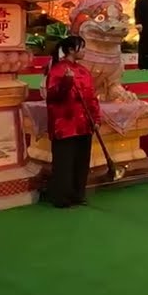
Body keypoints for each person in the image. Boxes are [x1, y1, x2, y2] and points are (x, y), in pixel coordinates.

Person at [44, 36, 102, 209]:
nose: (84, 51)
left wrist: (96, 118)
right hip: (65, 123)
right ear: (71, 50)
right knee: (64, 162)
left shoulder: (84, 71)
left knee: (81, 161)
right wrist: (66, 82)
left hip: (84, 122)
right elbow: (53, 96)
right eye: (81, 48)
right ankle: (61, 196)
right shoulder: (57, 70)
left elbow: (92, 97)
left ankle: (78, 193)